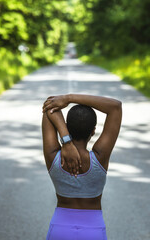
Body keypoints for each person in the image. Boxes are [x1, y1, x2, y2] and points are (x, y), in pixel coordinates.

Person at [42, 94, 122, 240]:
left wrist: (66, 140)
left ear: (66, 127)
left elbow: (49, 106)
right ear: (93, 131)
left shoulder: (53, 156)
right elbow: (115, 107)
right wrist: (69, 98)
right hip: (93, 231)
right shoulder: (100, 157)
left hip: (60, 229)